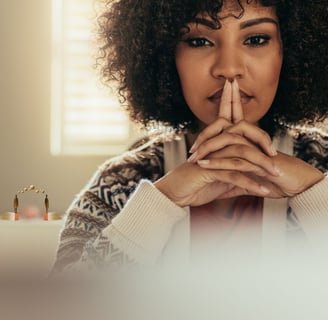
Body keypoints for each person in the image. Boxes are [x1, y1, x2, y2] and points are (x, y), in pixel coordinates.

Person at [51, 0, 328, 273]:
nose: (229, 68)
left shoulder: (321, 162)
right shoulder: (123, 181)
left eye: (256, 39)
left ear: (289, 51)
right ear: (165, 55)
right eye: (199, 41)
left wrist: (315, 193)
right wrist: (161, 202)